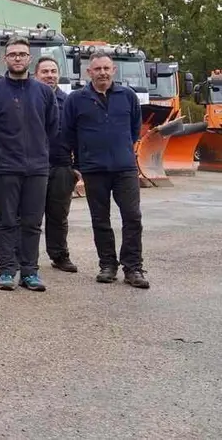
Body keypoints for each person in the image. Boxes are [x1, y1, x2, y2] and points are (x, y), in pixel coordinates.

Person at [0, 37, 57, 292]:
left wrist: (40, 154)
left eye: (22, 54)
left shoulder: (44, 93)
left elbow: (51, 127)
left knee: (33, 222)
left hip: (37, 168)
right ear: (5, 59)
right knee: (6, 220)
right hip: (5, 168)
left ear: (29, 59)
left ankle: (29, 272)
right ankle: (6, 271)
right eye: (12, 54)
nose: (17, 58)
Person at [63, 52, 148, 288]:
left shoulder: (128, 96)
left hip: (124, 169)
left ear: (114, 71)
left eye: (106, 68)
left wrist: (121, 150)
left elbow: (134, 129)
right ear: (88, 72)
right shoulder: (76, 100)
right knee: (100, 220)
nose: (102, 72)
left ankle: (133, 268)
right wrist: (78, 163)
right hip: (94, 170)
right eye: (97, 69)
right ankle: (107, 265)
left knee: (132, 217)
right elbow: (68, 133)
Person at [35, 57, 79, 273]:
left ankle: (59, 255)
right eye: (45, 72)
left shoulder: (69, 102)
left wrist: (77, 166)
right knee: (29, 215)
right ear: (36, 75)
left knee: (58, 214)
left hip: (62, 165)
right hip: (33, 166)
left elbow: (80, 134)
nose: (50, 75)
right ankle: (26, 257)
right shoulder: (29, 99)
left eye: (53, 71)